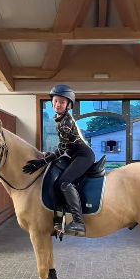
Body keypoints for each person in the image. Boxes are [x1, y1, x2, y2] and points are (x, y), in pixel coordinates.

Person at [22, 84, 95, 234]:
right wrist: (47, 156)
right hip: (75, 154)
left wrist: (42, 161)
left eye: (62, 102)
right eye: (55, 101)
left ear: (68, 105)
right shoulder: (60, 120)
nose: (57, 104)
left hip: (84, 155)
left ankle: (78, 222)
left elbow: (62, 149)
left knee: (64, 181)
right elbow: (64, 147)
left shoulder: (65, 122)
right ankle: (59, 217)